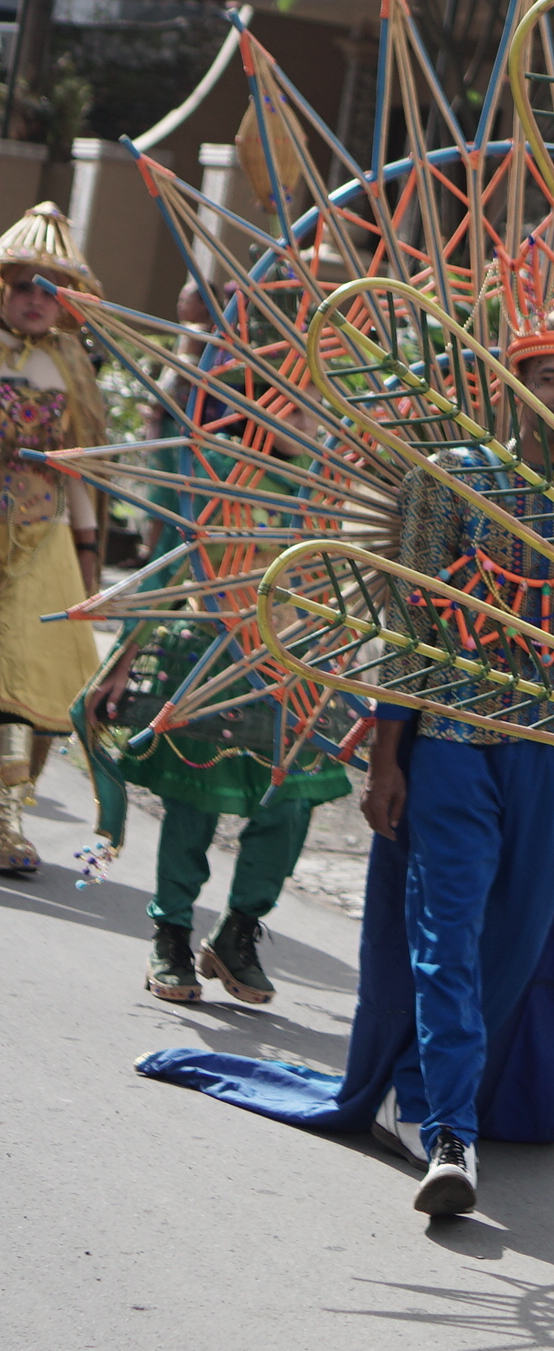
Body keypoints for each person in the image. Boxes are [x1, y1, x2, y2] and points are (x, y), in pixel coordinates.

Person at [137, 239, 554, 1222]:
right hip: (452, 746)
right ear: (514, 385)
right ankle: (444, 1125)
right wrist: (387, 750)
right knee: (444, 935)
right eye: (552, 377)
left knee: (513, 947)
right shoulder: (446, 481)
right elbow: (406, 622)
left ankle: (447, 1096)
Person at [85, 394, 355, 1004]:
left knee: (290, 806)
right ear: (252, 415)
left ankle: (237, 932)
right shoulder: (222, 479)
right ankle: (171, 932)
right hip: (212, 663)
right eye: (287, 412)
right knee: (193, 801)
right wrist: (122, 660)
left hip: (299, 671)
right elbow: (168, 571)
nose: (304, 426)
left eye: (312, 415)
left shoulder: (339, 491)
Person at [0, 203, 107, 878]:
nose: (35, 299)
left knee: (20, 679)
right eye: (23, 285)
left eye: (50, 289)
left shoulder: (69, 370)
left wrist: (91, 557)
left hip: (41, 541)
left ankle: (8, 818)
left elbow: (78, 470)